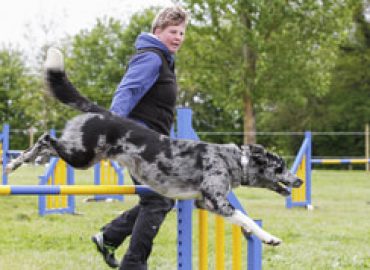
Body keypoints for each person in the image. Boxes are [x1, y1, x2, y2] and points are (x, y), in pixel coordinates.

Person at [92, 6, 188, 270]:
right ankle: (133, 264)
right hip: (135, 139)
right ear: (158, 31)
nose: (178, 37)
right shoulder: (151, 58)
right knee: (159, 198)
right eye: (172, 31)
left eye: (181, 32)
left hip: (150, 141)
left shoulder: (163, 60)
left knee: (162, 197)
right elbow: (127, 91)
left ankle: (109, 236)